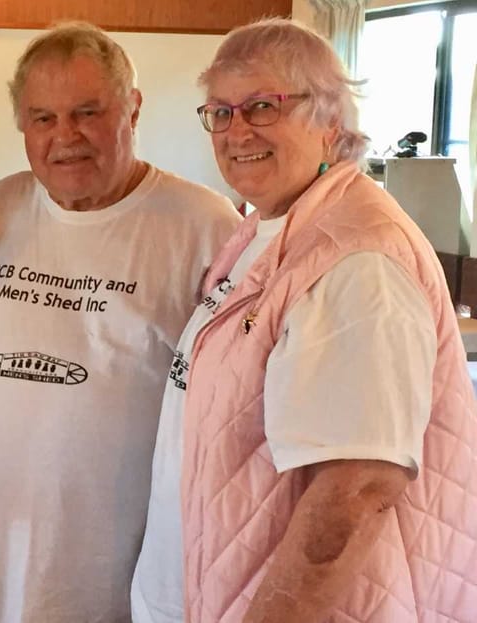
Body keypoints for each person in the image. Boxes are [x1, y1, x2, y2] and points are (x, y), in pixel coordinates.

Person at [172, 18, 477, 623]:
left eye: (263, 106)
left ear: (331, 122)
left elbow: (357, 490)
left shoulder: (359, 260)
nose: (237, 131)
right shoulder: (265, 229)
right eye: (221, 112)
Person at [0, 21, 240, 623]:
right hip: (12, 560)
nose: (66, 137)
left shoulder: (202, 226)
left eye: (88, 112)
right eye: (43, 118)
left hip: (146, 567)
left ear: (133, 108)